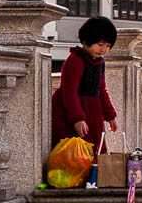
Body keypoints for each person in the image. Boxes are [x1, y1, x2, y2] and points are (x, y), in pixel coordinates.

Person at [51, 17, 119, 145]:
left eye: (108, 46)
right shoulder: (75, 60)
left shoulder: (100, 62)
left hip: (93, 111)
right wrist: (77, 118)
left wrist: (110, 116)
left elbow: (101, 90)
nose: (103, 49)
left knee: (94, 151)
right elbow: (69, 92)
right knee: (75, 152)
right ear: (86, 40)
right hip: (72, 113)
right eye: (100, 44)